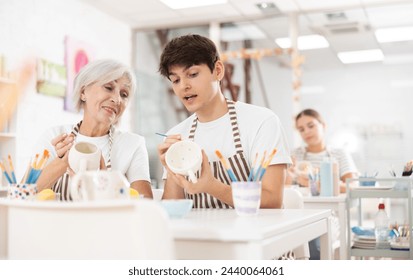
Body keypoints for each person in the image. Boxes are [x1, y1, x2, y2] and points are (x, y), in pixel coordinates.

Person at [157, 34, 291, 211]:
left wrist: (212, 186)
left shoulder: (262, 122)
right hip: (201, 236)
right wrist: (172, 167)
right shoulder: (177, 134)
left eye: (192, 74)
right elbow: (171, 210)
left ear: (218, 70)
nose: (183, 86)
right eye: (175, 80)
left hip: (253, 234)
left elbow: (272, 199)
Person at [35, 59, 152, 200]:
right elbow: (24, 193)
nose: (117, 99)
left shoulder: (133, 144)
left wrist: (104, 186)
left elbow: (145, 203)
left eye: (124, 94)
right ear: (83, 92)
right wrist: (62, 161)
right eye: (109, 87)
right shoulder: (54, 137)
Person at [288, 108, 358, 259]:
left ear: (323, 125)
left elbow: (352, 186)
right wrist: (290, 174)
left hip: (330, 216)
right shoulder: (295, 155)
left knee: (312, 243)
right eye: (301, 129)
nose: (306, 131)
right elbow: (285, 186)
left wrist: (319, 185)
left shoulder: (339, 154)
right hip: (299, 214)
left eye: (311, 125)